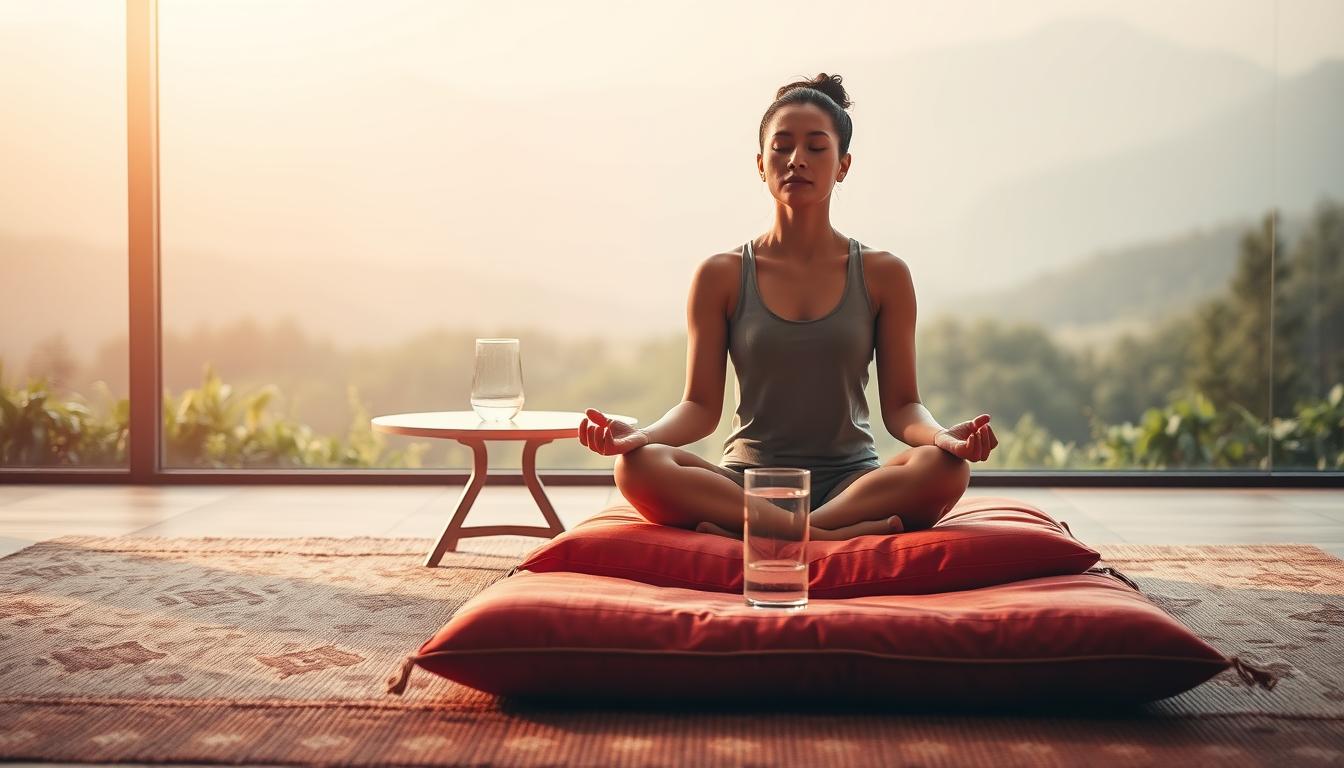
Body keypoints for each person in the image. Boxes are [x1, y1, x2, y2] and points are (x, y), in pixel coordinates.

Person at [578, 73, 998, 541]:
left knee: (946, 469)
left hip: (851, 485)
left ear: (843, 165)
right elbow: (698, 407)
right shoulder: (720, 274)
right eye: (782, 147)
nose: (797, 159)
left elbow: (903, 407)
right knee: (637, 468)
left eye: (817, 148)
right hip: (745, 483)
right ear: (761, 164)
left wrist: (944, 438)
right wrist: (642, 437)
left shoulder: (885, 274)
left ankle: (771, 532)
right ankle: (825, 538)